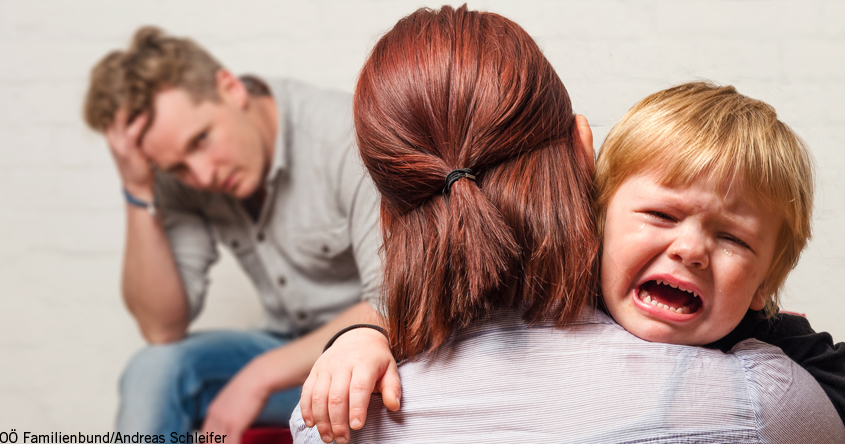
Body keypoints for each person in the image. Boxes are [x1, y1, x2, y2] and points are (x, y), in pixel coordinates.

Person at [290, 5, 845, 443]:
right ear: (590, 196)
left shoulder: (329, 423)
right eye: (660, 215)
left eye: (733, 239)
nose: (691, 250)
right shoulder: (768, 401)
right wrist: (360, 337)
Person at [82, 27, 383, 439]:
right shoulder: (184, 177)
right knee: (153, 369)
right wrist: (138, 191)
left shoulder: (345, 137)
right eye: (177, 168)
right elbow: (161, 330)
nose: (202, 175)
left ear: (231, 88)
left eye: (201, 140)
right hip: (286, 350)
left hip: (369, 357)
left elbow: (394, 304)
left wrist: (257, 377)